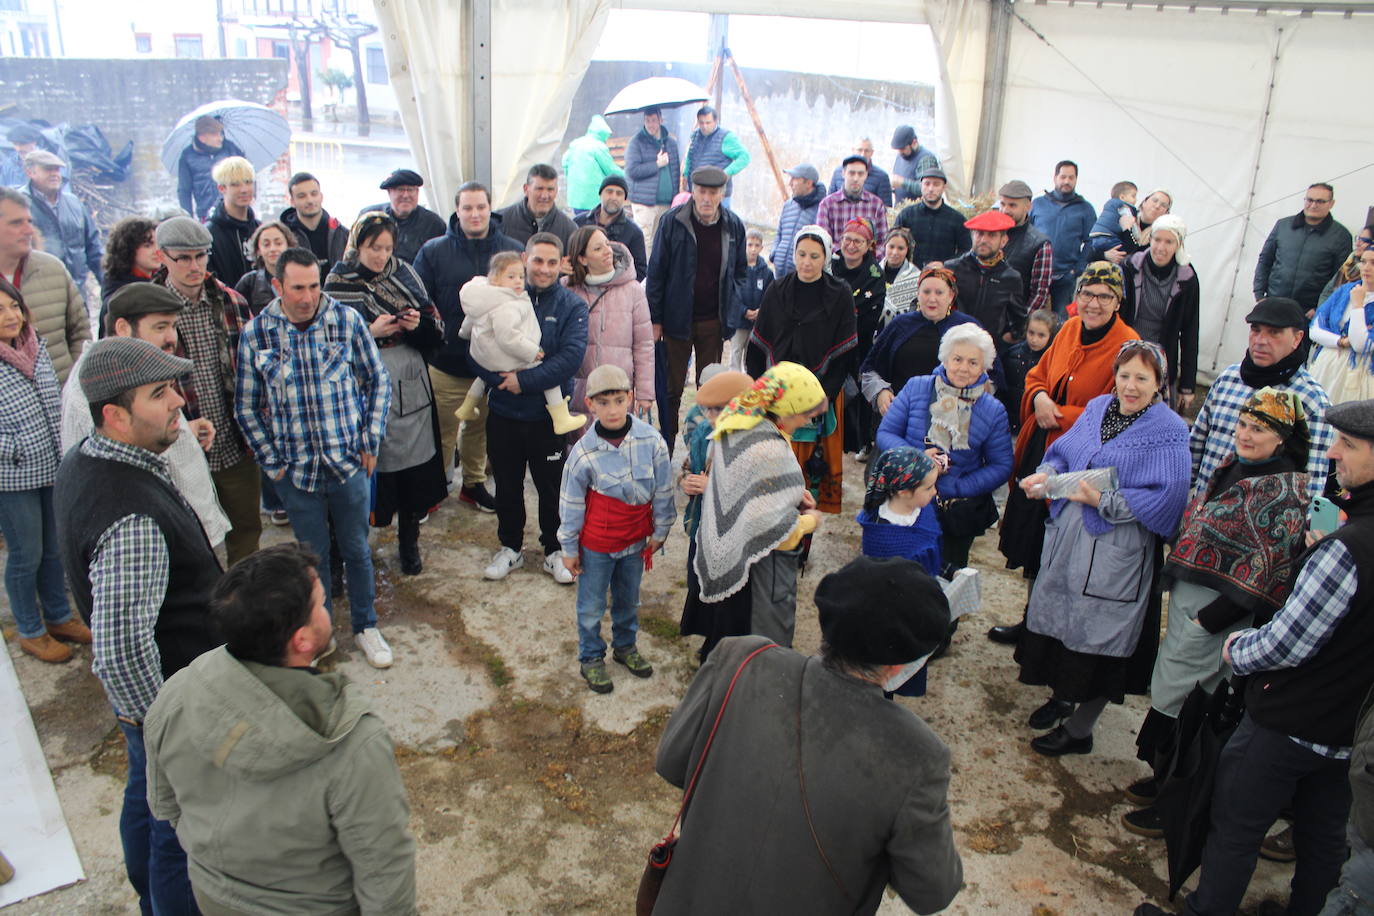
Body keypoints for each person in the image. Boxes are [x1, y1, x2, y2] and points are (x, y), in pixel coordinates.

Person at [1135, 398, 1374, 916]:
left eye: (1349, 445)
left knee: (1235, 824)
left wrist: (1233, 645)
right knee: (1324, 836)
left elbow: (1287, 635)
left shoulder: (1345, 543)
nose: (1334, 453)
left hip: (1291, 717)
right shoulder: (1339, 523)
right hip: (1347, 725)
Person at [653, 556, 962, 915]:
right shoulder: (918, 753)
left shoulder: (740, 657)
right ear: (896, 667)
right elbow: (932, 892)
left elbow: (671, 763)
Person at [143, 543, 418, 915]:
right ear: (301, 640)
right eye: (322, 603)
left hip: (214, 899)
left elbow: (167, 808)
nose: (327, 611)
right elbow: (385, 876)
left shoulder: (175, 694)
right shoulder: (352, 743)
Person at [54, 336, 224, 916]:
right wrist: (163, 729)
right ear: (114, 415)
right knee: (181, 833)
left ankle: (146, 891)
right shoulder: (130, 516)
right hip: (169, 704)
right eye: (159, 393)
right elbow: (122, 646)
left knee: (145, 800)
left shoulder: (89, 456)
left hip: (147, 708)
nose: (178, 401)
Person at [1122, 387, 1309, 838]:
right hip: (1195, 603)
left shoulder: (1283, 490)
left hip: (1220, 615)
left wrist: (1208, 623)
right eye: (1244, 424)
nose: (1245, 434)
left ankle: (1175, 805)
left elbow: (1268, 574)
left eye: (1259, 429)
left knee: (1195, 707)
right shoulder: (1237, 467)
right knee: (1172, 697)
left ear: (1282, 438)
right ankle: (1163, 781)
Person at [1015, 341, 1191, 756]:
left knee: (1102, 638)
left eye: (1142, 379)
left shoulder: (1169, 429)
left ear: (1159, 384)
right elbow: (1063, 453)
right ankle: (1061, 697)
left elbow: (1169, 497)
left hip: (1119, 547)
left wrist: (1105, 502)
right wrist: (1046, 476)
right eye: (1125, 375)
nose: (1130, 386)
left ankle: (1080, 729)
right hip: (1071, 537)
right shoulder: (1097, 408)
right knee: (1064, 621)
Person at [234, 248, 394, 669]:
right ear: (277, 286)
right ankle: (320, 636)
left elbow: (377, 381)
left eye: (314, 286)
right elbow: (246, 407)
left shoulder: (346, 321)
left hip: (348, 466)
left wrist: (370, 440)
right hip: (296, 473)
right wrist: (274, 464)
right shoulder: (257, 334)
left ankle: (365, 626)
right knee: (313, 558)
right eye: (298, 288)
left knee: (358, 551)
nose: (307, 297)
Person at [991, 262, 1141, 646]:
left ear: (1118, 301)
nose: (1093, 303)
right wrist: (1039, 397)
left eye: (1104, 296)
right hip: (1042, 445)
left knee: (1060, 545)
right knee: (1031, 538)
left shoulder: (1127, 345)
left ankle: (1053, 631)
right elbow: (1038, 375)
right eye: (1087, 294)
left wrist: (1059, 414)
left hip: (1081, 461)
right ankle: (1031, 621)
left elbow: (1118, 408)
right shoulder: (1070, 329)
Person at [62, 283, 231, 552]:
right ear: (122, 329)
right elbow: (114, 479)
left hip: (193, 530)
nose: (171, 338)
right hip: (164, 546)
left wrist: (185, 428)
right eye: (160, 327)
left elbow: (139, 435)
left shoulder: (135, 368)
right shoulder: (93, 393)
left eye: (174, 326)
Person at [325, 211, 449, 575]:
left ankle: (408, 544)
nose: (380, 255)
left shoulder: (404, 273)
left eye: (386, 247)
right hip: (359, 379)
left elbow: (436, 330)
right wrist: (369, 331)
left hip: (407, 375)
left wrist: (416, 326)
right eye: (372, 247)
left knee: (412, 464)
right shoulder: (337, 281)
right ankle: (347, 551)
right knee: (360, 466)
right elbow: (329, 342)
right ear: (357, 244)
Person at [684, 362, 827, 655]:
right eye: (804, 416)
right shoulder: (769, 446)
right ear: (786, 409)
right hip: (756, 572)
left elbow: (747, 490)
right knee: (748, 647)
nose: (804, 424)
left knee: (724, 638)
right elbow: (781, 533)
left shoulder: (735, 428)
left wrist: (788, 493)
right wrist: (811, 520)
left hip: (729, 554)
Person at [474, 233, 588, 583]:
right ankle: (510, 548)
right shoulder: (496, 300)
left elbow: (570, 359)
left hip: (547, 419)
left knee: (552, 488)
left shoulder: (571, 306)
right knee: (507, 487)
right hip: (505, 413)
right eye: (538, 261)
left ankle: (554, 550)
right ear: (524, 258)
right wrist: (499, 381)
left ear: (562, 264)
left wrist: (523, 381)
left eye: (552, 262)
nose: (544, 269)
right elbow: (477, 348)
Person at [557, 364, 674, 693]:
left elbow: (663, 490)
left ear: (631, 399)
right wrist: (568, 549)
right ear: (590, 404)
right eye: (603, 402)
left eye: (618, 400)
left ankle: (625, 647)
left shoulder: (652, 441)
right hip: (597, 545)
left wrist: (660, 531)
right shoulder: (582, 454)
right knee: (591, 604)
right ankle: (591, 657)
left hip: (636, 542)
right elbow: (571, 504)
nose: (612, 409)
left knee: (628, 599)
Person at [153, 215, 261, 566]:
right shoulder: (147, 310)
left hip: (233, 440)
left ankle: (239, 605)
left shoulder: (233, 302)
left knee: (245, 528)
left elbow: (252, 371)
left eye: (200, 255)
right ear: (162, 257)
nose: (193, 265)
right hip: (174, 444)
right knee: (186, 538)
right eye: (182, 257)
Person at [413, 180, 521, 511]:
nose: (475, 214)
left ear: (491, 209)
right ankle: (432, 489)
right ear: (457, 211)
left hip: (492, 365)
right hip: (447, 362)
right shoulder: (433, 251)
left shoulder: (512, 251)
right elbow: (420, 302)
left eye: (481, 207)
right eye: (467, 208)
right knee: (441, 433)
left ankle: (473, 484)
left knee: (479, 430)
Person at [0, 277, 91, 664]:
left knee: (53, 548)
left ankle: (57, 616)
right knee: (26, 553)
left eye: (14, 306)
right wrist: (15, 449)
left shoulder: (35, 346)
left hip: (51, 465)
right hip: (13, 475)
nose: (10, 316)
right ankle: (30, 630)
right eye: (0, 310)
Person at [877, 322, 1013, 572]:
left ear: (984, 366)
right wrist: (915, 459)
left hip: (953, 511)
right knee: (895, 571)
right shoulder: (916, 386)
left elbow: (1001, 465)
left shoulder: (993, 410)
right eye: (958, 359)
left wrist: (959, 486)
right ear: (945, 358)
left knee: (944, 580)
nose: (963, 368)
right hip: (905, 498)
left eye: (973, 362)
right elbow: (886, 433)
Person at [747, 225, 857, 514]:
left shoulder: (840, 294)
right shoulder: (777, 290)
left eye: (814, 255)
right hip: (776, 394)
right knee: (771, 470)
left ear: (826, 257)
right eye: (801, 254)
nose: (807, 262)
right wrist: (762, 391)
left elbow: (844, 355)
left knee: (808, 477)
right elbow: (759, 345)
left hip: (822, 395)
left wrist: (821, 400)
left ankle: (801, 545)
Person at [1191, 296, 1335, 502]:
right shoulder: (1228, 379)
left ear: (1297, 338)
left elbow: (1312, 484)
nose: (1260, 340)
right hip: (1202, 515)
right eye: (1256, 330)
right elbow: (1195, 447)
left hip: (1259, 526)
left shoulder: (1310, 401)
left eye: (1274, 333)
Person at [645, 165, 748, 453]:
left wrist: (732, 307)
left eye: (712, 192)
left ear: (722, 193)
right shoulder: (672, 221)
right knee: (670, 388)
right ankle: (666, 442)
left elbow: (741, 272)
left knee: (710, 386)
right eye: (701, 191)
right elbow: (656, 273)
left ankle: (704, 446)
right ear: (693, 191)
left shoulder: (733, 225)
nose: (706, 198)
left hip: (713, 322)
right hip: (676, 320)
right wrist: (655, 319)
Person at [454, 251, 585, 434]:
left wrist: (465, 334)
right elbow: (508, 336)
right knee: (542, 368)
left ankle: (468, 405)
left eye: (520, 277)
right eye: (511, 277)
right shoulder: (509, 303)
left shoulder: (483, 299)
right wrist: (532, 353)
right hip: (505, 395)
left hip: (488, 360)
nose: (517, 281)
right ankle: (561, 417)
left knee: (482, 377)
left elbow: (470, 322)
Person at [855, 447, 943, 697]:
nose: (935, 492)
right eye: (928, 488)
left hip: (915, 611)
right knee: (885, 667)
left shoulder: (922, 511)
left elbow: (932, 547)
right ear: (903, 491)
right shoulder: (881, 533)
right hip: (890, 617)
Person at [678, 367, 753, 657]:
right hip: (703, 526)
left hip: (732, 536)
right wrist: (686, 481)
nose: (711, 417)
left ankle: (724, 649)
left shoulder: (751, 442)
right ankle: (709, 638)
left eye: (719, 410)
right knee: (699, 581)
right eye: (708, 410)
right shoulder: (704, 434)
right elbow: (688, 466)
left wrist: (713, 485)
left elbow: (752, 488)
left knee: (727, 594)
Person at [863, 265, 987, 411]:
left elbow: (991, 375)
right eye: (926, 292)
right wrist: (880, 392)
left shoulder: (968, 327)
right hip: (903, 410)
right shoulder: (900, 324)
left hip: (955, 414)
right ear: (918, 294)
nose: (932, 299)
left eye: (939, 292)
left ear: (951, 296)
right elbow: (869, 369)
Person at [0, 187, 89, 384]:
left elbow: (80, 332)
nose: (29, 230)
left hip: (62, 397)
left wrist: (75, 383)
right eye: (16, 223)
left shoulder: (53, 269)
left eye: (29, 221)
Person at [564, 227, 654, 414]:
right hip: (578, 392)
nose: (607, 250)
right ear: (582, 259)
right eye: (598, 248)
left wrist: (645, 393)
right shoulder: (566, 288)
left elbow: (644, 345)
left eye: (607, 244)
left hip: (618, 392)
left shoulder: (633, 290)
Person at [1119, 212, 1199, 408]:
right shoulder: (1130, 267)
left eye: (1169, 242)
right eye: (1157, 240)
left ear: (1178, 245)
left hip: (1161, 359)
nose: (1161, 248)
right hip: (1125, 350)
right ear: (1150, 239)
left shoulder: (1187, 279)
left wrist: (1187, 386)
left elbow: (1190, 331)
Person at [1254, 182, 1353, 320]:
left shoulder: (1341, 236)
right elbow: (1265, 260)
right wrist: (1259, 295)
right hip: (1272, 305)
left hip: (1307, 313)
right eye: (1310, 200)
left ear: (1331, 204)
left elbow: (1341, 279)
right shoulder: (1283, 226)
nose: (1313, 205)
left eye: (1320, 201)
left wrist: (1321, 308)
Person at [830, 218, 886, 458]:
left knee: (856, 393)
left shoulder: (874, 274)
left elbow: (869, 311)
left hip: (858, 344)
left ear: (868, 245)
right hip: (825, 342)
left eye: (858, 241)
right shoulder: (829, 263)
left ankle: (859, 439)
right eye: (847, 239)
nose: (851, 245)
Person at [944, 209, 1027, 358]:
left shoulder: (1011, 278)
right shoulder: (952, 268)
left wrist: (1004, 340)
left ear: (1003, 241)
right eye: (979, 233)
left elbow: (1019, 319)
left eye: (992, 235)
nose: (984, 240)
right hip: (951, 346)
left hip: (988, 352)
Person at [21, 149, 103, 288]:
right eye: (48, 169)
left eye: (57, 169)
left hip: (77, 288)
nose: (54, 174)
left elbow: (93, 248)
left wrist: (108, 284)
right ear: (30, 172)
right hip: (39, 291)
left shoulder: (74, 203)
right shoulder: (18, 204)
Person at [1309, 246, 1374, 405]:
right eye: (1363, 261)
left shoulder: (1356, 296)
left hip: (1360, 372)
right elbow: (1315, 329)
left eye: (1373, 263)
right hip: (1328, 365)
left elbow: (1360, 344)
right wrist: (1341, 341)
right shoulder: (1345, 290)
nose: (1366, 267)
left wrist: (1358, 305)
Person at [1030, 160, 1096, 313]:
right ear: (1055, 178)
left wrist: (1078, 269)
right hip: (1037, 273)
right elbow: (1027, 235)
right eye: (1063, 177)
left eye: (1071, 178)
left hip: (1066, 276)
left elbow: (1091, 241)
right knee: (1032, 317)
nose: (1066, 181)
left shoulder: (1085, 209)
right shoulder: (1037, 204)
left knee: (1061, 321)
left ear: (1076, 180)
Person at [358, 168, 447, 264]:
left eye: (410, 190)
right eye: (400, 190)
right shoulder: (369, 217)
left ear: (417, 192)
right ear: (389, 192)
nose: (405, 195)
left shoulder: (433, 224)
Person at [622, 106, 680, 253]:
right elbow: (632, 171)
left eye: (654, 120)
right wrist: (656, 165)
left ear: (661, 120)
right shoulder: (636, 143)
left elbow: (675, 172)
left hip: (666, 202)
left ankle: (657, 274)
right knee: (644, 240)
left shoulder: (671, 143)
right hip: (644, 202)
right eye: (647, 121)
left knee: (660, 241)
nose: (651, 125)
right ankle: (645, 275)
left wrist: (675, 195)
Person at [572, 174, 647, 281]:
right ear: (600, 194)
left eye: (619, 193)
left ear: (625, 199)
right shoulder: (578, 223)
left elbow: (640, 270)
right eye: (609, 191)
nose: (613, 197)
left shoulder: (634, 233)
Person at [892, 168, 970, 266]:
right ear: (921, 186)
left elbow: (966, 251)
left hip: (944, 275)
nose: (931, 189)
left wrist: (945, 264)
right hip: (909, 274)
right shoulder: (906, 215)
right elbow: (893, 243)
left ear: (944, 187)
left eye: (936, 184)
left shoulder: (957, 220)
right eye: (927, 184)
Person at [998, 179, 1053, 316]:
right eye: (1003, 204)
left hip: (1013, 319)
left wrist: (1020, 323)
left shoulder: (1040, 244)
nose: (1005, 210)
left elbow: (1039, 293)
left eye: (1012, 205)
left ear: (1028, 206)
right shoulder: (990, 234)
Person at [98, 216, 160, 336]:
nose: (157, 251)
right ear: (128, 249)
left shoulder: (159, 281)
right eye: (148, 245)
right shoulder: (118, 298)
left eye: (158, 244)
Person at [176, 115, 245, 222]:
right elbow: (184, 190)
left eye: (220, 133)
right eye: (214, 134)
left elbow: (248, 173)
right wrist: (187, 218)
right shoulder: (187, 157)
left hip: (234, 210)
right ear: (202, 138)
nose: (220, 138)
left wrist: (251, 196)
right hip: (206, 214)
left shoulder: (230, 149)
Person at [205, 156, 260, 289]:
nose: (244, 189)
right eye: (235, 184)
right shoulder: (209, 234)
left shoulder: (260, 229)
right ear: (222, 188)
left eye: (248, 182)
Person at [280, 171, 348, 277]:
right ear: (292, 201)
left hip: (338, 292)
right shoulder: (283, 236)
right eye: (302, 196)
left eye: (314, 194)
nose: (310, 200)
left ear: (321, 196)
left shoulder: (342, 233)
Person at [493, 163, 578, 248]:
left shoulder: (569, 229)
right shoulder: (500, 222)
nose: (545, 196)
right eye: (539, 189)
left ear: (556, 191)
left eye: (550, 189)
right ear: (526, 189)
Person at [1002, 309, 1060, 432]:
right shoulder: (1012, 355)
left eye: (1041, 335)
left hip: (1036, 424)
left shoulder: (1054, 360)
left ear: (1051, 336)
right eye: (1031, 333)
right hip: (1008, 420)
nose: (1034, 339)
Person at [682, 105, 751, 208]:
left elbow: (744, 157)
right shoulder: (696, 135)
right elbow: (690, 156)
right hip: (697, 194)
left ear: (715, 121)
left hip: (718, 196)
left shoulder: (726, 137)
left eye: (708, 123)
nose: (704, 126)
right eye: (701, 123)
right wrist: (685, 174)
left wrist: (725, 173)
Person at [816, 155, 889, 252]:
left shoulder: (876, 205)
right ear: (843, 173)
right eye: (851, 173)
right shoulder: (827, 204)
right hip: (835, 263)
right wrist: (846, 256)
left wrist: (866, 259)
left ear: (866, 175)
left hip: (866, 263)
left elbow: (883, 243)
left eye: (860, 174)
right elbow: (823, 241)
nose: (856, 178)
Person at [770, 163, 825, 277]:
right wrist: (774, 253)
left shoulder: (822, 209)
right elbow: (779, 233)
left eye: (794, 179)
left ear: (809, 183)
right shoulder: (788, 205)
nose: (790, 184)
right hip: (779, 276)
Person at [562, 115, 624, 216]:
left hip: (575, 197)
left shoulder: (575, 144)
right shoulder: (599, 147)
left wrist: (572, 179)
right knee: (594, 228)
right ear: (603, 134)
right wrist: (627, 175)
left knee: (580, 226)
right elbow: (610, 170)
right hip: (593, 198)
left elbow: (564, 162)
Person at [730, 228, 773, 373]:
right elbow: (732, 294)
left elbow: (770, 295)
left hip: (757, 323)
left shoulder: (766, 273)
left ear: (761, 247)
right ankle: (734, 383)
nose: (753, 249)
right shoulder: (736, 270)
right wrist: (743, 310)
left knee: (751, 354)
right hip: (739, 320)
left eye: (757, 245)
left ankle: (749, 383)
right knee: (736, 351)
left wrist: (761, 310)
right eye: (750, 245)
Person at [233, 219, 298, 314]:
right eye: (266, 244)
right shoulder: (249, 282)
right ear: (258, 250)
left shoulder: (302, 278)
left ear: (289, 246)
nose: (272, 249)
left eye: (278, 243)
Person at [1318, 220, 1374, 304]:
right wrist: (1322, 312)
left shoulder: (1368, 273)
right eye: (1358, 238)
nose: (1358, 243)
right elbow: (1327, 292)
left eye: (1364, 240)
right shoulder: (1349, 263)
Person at [827, 137, 894, 205]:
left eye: (866, 151)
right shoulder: (838, 172)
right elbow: (829, 200)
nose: (863, 154)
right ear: (853, 150)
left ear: (872, 153)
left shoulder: (881, 177)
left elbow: (886, 208)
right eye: (859, 150)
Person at [1085, 180, 1140, 261]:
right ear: (1122, 197)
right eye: (1133, 196)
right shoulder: (1124, 207)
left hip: (1095, 237)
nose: (1136, 200)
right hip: (1109, 237)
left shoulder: (1109, 205)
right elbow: (1130, 222)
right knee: (1122, 252)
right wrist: (1137, 235)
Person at [890, 124, 941, 204]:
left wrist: (902, 182)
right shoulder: (901, 155)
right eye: (898, 149)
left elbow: (927, 188)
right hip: (901, 209)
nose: (900, 152)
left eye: (903, 148)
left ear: (914, 142)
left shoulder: (926, 159)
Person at [879, 227, 921, 322]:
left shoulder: (916, 277)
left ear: (907, 250)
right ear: (885, 246)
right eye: (891, 247)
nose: (895, 252)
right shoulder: (873, 273)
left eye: (900, 248)